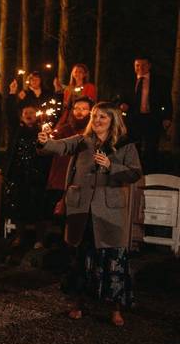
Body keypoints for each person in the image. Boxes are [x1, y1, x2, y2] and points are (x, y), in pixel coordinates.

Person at [37, 102, 143, 326]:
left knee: (113, 259)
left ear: (113, 120)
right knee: (80, 258)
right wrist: (45, 141)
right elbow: (59, 147)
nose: (97, 120)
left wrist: (111, 166)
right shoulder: (82, 141)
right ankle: (78, 303)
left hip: (110, 212)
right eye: (94, 116)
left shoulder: (125, 145)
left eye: (103, 117)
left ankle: (115, 309)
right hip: (82, 210)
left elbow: (135, 173)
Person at [1, 105, 52, 248]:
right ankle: (19, 237)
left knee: (38, 206)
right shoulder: (17, 131)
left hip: (38, 174)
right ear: (21, 116)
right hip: (20, 174)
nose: (29, 115)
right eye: (26, 113)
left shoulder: (41, 131)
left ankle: (39, 239)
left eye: (32, 113)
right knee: (19, 205)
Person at [124, 57, 172, 171]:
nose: (140, 68)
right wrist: (123, 104)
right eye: (137, 65)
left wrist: (167, 117)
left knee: (151, 146)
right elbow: (123, 96)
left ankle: (149, 171)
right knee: (134, 145)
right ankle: (134, 169)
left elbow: (167, 100)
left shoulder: (159, 81)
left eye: (143, 65)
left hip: (152, 118)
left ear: (149, 66)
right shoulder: (129, 81)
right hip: (134, 118)